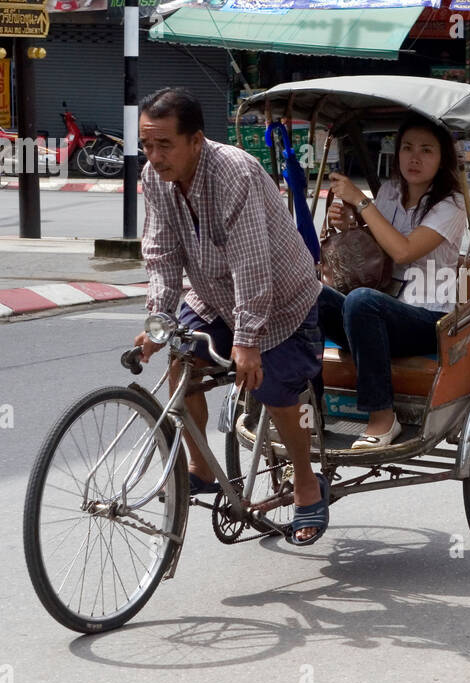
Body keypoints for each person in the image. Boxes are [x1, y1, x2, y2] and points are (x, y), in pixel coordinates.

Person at [132, 87, 330, 545]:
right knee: (181, 355)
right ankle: (200, 465)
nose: (155, 155)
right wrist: (157, 323)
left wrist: (247, 341)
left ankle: (305, 484)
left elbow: (251, 265)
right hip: (212, 293)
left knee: (273, 382)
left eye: (164, 144)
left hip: (280, 297)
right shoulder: (154, 177)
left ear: (196, 140)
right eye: (147, 144)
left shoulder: (232, 172)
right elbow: (161, 255)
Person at [318, 112, 468, 448]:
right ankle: (308, 406)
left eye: (427, 150)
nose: (414, 158)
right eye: (408, 148)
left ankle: (382, 418)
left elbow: (403, 252)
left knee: (361, 300)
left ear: (442, 158)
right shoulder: (389, 192)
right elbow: (375, 247)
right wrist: (349, 222)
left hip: (427, 319)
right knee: (309, 293)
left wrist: (360, 201)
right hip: (375, 313)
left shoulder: (452, 204)